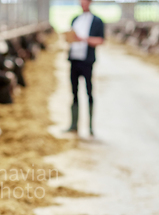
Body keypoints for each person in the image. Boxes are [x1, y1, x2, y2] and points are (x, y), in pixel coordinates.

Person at [67, 0, 104, 136]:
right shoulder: (75, 19)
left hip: (87, 61)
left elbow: (100, 40)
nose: (82, 3)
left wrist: (83, 38)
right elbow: (71, 38)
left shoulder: (97, 21)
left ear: (90, 2)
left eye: (85, 1)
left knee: (89, 91)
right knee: (74, 92)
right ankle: (73, 125)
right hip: (74, 60)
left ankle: (90, 127)